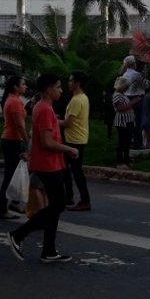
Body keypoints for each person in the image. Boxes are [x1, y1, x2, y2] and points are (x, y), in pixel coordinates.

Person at [6, 74, 79, 263]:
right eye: (58, 86)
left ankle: (49, 250)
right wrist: (69, 148)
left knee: (56, 205)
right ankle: (19, 235)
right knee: (58, 204)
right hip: (48, 164)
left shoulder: (41, 107)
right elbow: (47, 142)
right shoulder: (45, 109)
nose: (61, 90)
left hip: (48, 163)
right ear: (48, 89)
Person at [0, 75, 29, 220]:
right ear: (15, 87)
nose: (25, 86)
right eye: (23, 84)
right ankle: (3, 209)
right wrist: (27, 142)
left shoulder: (13, 100)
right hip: (12, 141)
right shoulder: (14, 102)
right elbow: (19, 126)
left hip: (12, 140)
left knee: (15, 173)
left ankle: (14, 202)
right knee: (9, 175)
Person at [62, 71, 92, 212]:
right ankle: (69, 196)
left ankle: (84, 199)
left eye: (70, 81)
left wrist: (52, 121)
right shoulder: (83, 97)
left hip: (73, 140)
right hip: (78, 138)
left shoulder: (76, 100)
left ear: (77, 83)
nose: (68, 83)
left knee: (75, 171)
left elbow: (68, 122)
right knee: (67, 169)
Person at [120, 55, 146, 150]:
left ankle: (129, 142)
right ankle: (138, 143)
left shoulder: (124, 75)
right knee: (138, 122)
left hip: (127, 98)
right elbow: (144, 86)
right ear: (133, 64)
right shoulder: (137, 75)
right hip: (137, 99)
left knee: (129, 122)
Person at [112, 77, 136, 169]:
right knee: (122, 142)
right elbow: (120, 108)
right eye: (126, 86)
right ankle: (120, 161)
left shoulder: (122, 95)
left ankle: (126, 160)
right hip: (122, 122)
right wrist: (132, 103)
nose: (127, 88)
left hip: (128, 121)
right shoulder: (117, 95)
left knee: (127, 142)